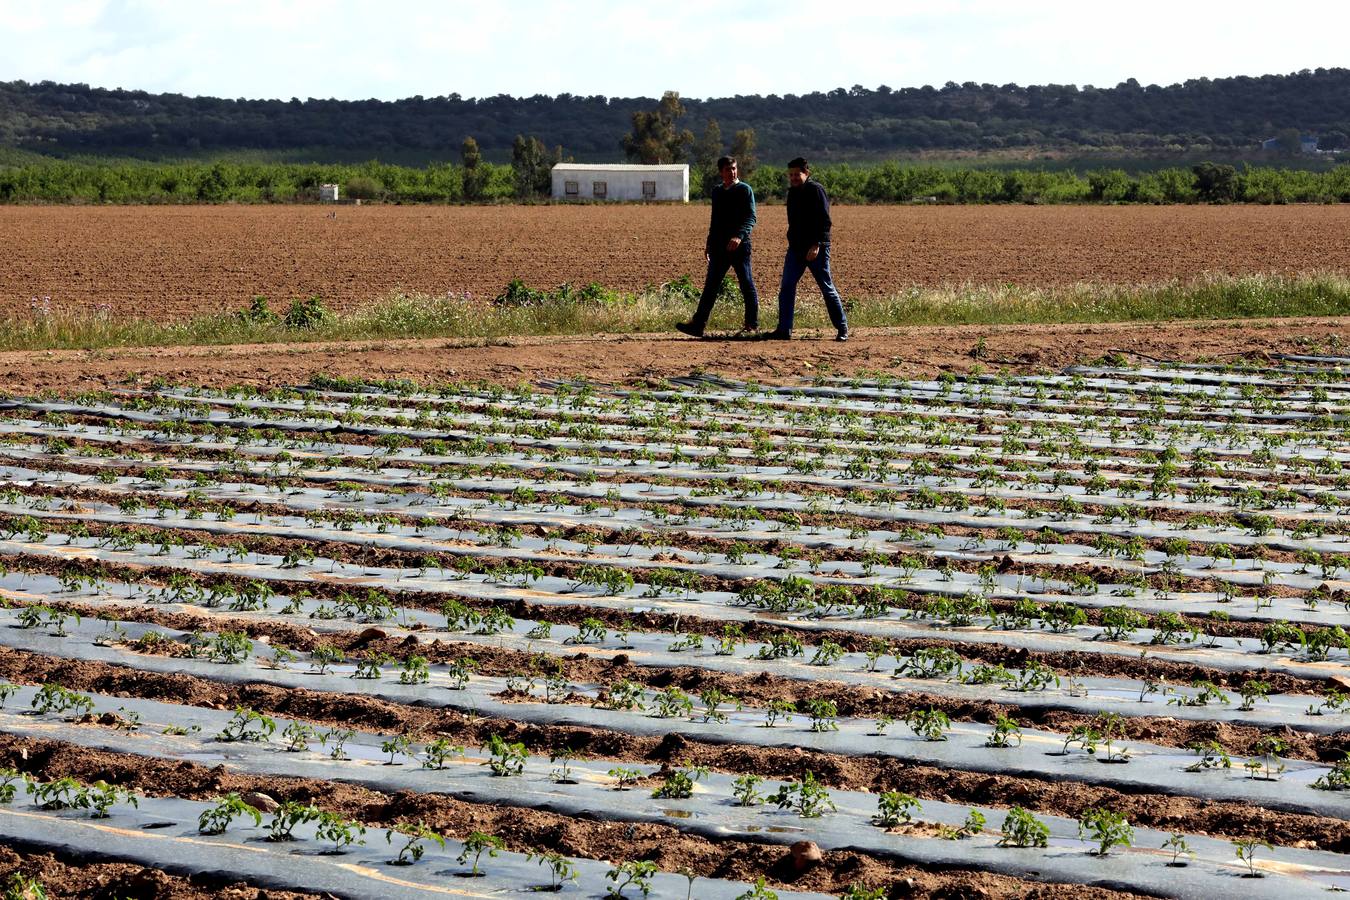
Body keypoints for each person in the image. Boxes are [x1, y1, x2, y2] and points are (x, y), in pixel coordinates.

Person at [676, 156, 759, 337]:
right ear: (721, 172)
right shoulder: (717, 192)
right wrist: (709, 243)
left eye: (734, 168)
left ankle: (751, 325)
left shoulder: (745, 190)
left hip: (740, 247)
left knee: (746, 284)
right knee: (711, 286)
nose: (732, 172)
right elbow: (715, 220)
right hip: (719, 247)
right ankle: (698, 325)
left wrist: (739, 236)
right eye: (728, 169)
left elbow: (751, 217)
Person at [768, 157, 848, 341]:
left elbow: (825, 221)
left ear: (807, 173)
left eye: (798, 174)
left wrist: (816, 245)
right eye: (791, 175)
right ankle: (784, 329)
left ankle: (842, 327)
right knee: (787, 287)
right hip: (796, 249)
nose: (794, 177)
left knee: (826, 287)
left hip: (816, 249)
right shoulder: (792, 193)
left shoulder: (816, 190)